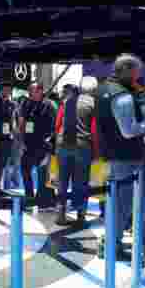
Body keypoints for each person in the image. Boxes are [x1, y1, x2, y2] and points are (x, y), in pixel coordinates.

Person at [95, 54, 145, 260]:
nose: (139, 76)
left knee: (114, 203)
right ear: (127, 70)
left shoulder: (102, 90)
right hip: (126, 157)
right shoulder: (122, 95)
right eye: (137, 72)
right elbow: (129, 131)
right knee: (122, 205)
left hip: (110, 155)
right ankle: (111, 245)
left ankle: (110, 242)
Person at [54, 77, 98, 226]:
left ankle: (60, 214)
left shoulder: (66, 101)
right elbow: (94, 130)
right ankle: (80, 216)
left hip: (63, 145)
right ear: (93, 90)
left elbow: (58, 123)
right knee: (81, 182)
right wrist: (96, 151)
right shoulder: (92, 104)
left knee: (62, 180)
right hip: (82, 146)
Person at [18, 82, 56, 209]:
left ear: (40, 91)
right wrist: (21, 140)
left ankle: (45, 201)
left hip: (43, 144)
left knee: (43, 173)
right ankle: (29, 197)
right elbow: (22, 122)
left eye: (33, 91)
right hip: (29, 144)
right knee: (25, 168)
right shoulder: (26, 103)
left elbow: (55, 125)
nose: (30, 93)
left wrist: (50, 143)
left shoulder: (49, 105)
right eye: (29, 91)